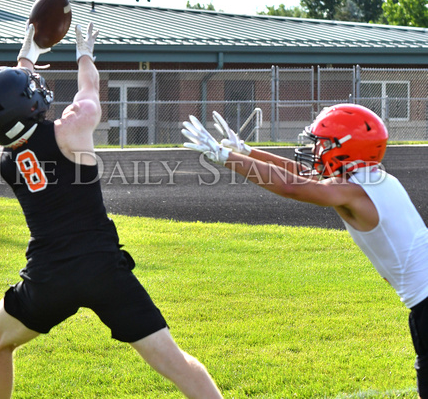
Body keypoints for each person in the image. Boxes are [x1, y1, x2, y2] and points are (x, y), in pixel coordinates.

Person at [0, 22, 223, 399]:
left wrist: (28, 55)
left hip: (48, 276)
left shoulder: (4, 158)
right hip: (103, 269)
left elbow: (10, 113)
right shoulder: (72, 130)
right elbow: (88, 89)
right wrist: (84, 54)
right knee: (174, 361)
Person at [182, 105, 428, 398]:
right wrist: (248, 152)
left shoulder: (353, 191)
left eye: (322, 144)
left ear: (346, 148)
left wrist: (226, 158)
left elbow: (292, 186)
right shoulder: (376, 180)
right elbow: (303, 174)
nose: (315, 150)